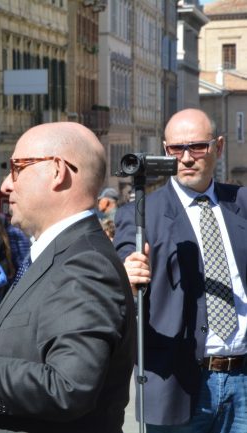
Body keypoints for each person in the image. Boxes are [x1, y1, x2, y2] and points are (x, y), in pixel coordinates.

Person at [0, 122, 136, 433]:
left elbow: (68, 387)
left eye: (17, 168)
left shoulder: (85, 263)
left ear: (57, 171)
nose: (6, 185)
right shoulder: (59, 254)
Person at [115, 108, 247, 432]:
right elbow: (121, 276)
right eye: (177, 149)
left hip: (242, 380)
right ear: (165, 150)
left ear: (218, 146)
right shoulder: (141, 214)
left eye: (197, 147)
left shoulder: (241, 202)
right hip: (178, 384)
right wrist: (126, 275)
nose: (186, 158)